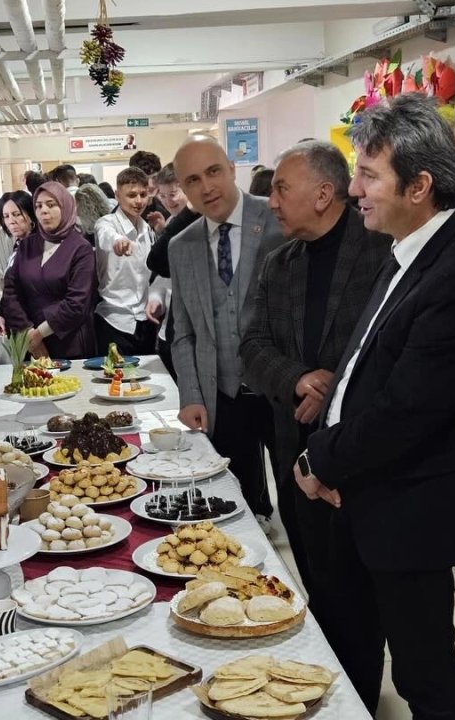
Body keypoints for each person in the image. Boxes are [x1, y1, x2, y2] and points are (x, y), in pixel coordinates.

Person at [292, 94, 455, 719]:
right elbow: (364, 361)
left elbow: (407, 412)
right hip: (368, 489)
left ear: (419, 186)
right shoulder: (412, 248)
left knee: (423, 669)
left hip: (412, 501)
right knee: (352, 639)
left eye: (367, 175)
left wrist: (319, 459)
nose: (353, 189)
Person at [240, 141, 390, 631]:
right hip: (293, 451)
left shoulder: (382, 253)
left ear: (324, 193)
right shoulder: (279, 264)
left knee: (363, 603)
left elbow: (391, 350)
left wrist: (336, 388)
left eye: (282, 189)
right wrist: (300, 380)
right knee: (318, 585)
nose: (273, 201)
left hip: (361, 460)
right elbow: (254, 346)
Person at [168, 136, 285, 525]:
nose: (206, 187)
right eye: (193, 180)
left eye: (214, 171)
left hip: (282, 388)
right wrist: (190, 395)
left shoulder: (277, 220)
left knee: (302, 500)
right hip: (222, 391)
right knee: (233, 504)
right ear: (183, 188)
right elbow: (182, 331)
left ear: (232, 169)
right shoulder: (181, 245)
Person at [0, 181, 97, 359]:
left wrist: (39, 335)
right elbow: (11, 291)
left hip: (68, 340)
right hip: (28, 341)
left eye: (51, 205)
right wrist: (27, 333)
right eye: (38, 206)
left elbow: (77, 303)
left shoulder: (80, 248)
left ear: (66, 207)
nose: (43, 210)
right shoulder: (27, 245)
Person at [93, 166, 159, 356]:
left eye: (143, 194)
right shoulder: (106, 223)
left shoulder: (147, 229)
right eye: (131, 195)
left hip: (144, 321)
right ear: (117, 195)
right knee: (113, 383)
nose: (138, 201)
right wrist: (118, 241)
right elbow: (107, 236)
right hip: (113, 320)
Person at [146, 162, 201, 378]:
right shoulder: (175, 220)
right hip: (174, 324)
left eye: (174, 193)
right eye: (163, 195)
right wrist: (157, 296)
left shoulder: (196, 219)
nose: (169, 200)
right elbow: (162, 266)